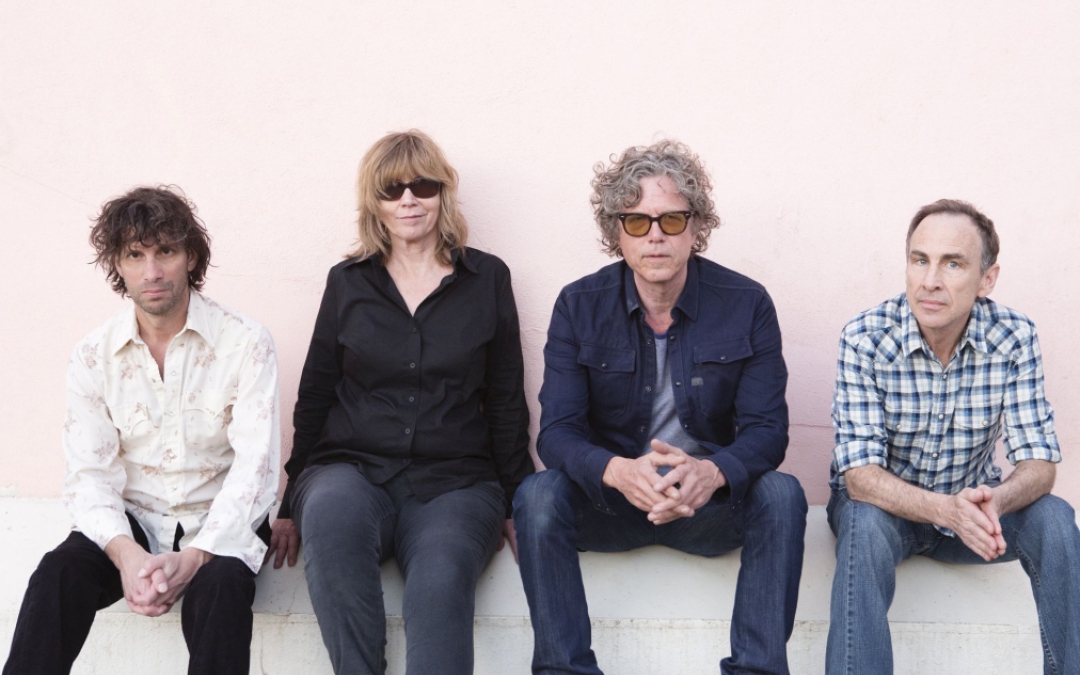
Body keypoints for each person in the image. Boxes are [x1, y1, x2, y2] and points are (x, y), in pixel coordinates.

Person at [512, 140, 808, 675]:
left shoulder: (747, 303)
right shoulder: (578, 306)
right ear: (617, 232)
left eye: (672, 220)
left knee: (782, 494)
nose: (655, 235)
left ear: (696, 228)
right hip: (611, 503)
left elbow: (768, 430)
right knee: (537, 496)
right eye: (637, 221)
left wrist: (712, 472)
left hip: (705, 506)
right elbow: (557, 433)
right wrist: (618, 472)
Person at [265, 130, 533, 675]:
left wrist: (516, 499)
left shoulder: (488, 279)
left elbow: (506, 397)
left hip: (456, 482)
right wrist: (291, 502)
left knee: (441, 583)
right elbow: (316, 393)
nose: (408, 199)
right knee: (331, 519)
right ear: (375, 202)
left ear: (442, 193)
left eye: (422, 186)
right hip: (351, 470)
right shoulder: (347, 283)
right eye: (392, 189)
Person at [3, 186, 280, 675]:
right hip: (135, 521)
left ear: (190, 257)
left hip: (219, 521)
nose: (152, 272)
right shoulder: (93, 355)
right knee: (57, 574)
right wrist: (127, 556)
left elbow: (255, 469)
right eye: (135, 255)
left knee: (220, 592)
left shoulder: (245, 342)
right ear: (118, 264)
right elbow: (89, 476)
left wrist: (195, 557)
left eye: (165, 251)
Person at [826, 199, 1080, 674]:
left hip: (974, 517)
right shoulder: (865, 337)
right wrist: (947, 511)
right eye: (919, 259)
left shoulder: (1014, 337)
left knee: (1054, 517)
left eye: (953, 264)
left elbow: (1039, 463)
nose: (930, 281)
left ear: (987, 279)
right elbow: (859, 478)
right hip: (886, 515)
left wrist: (995, 503)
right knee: (862, 521)